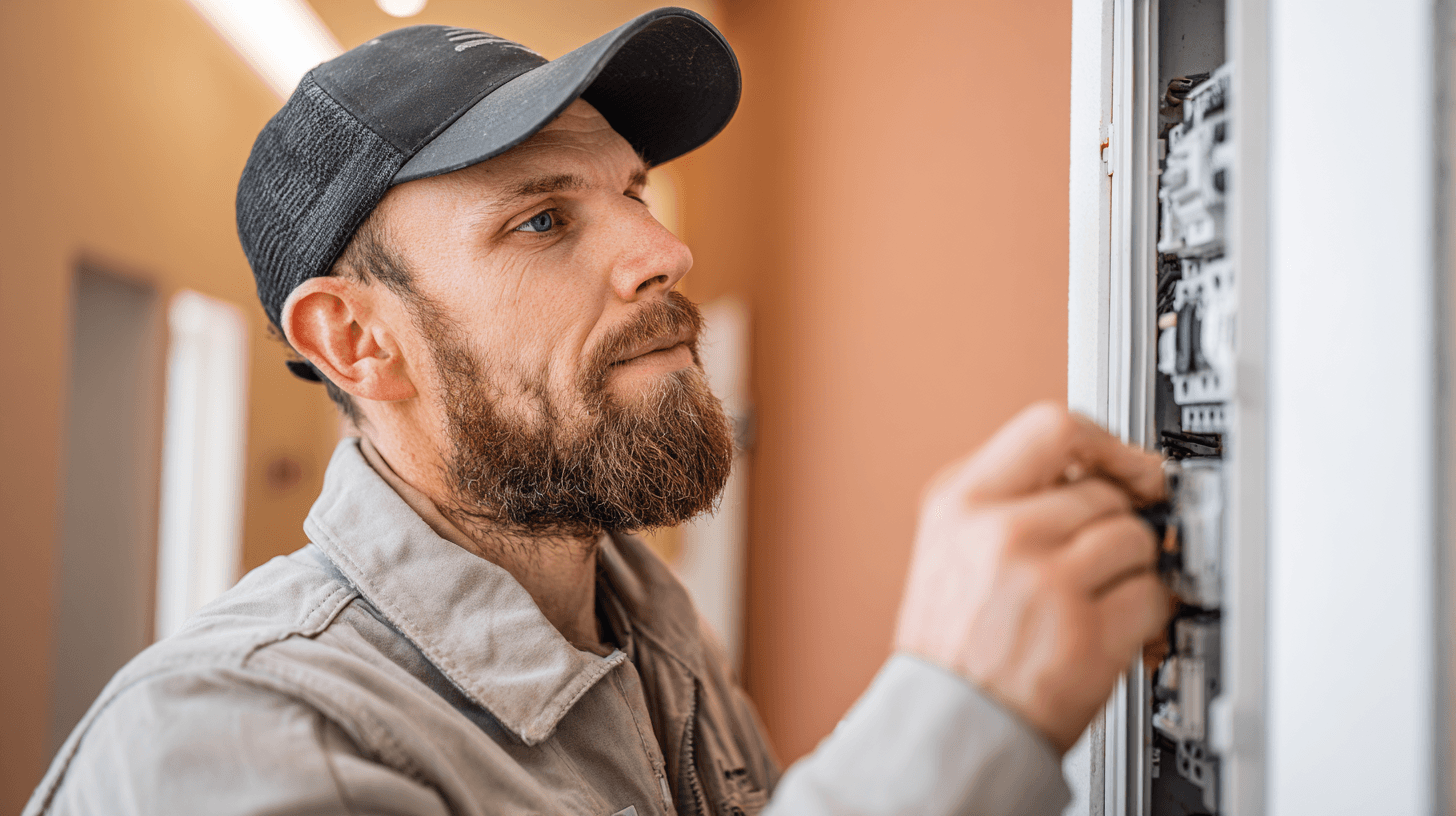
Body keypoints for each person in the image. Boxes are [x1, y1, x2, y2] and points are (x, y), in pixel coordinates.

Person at [25, 9, 1170, 816]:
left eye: (632, 191)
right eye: (541, 222)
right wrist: (952, 726)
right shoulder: (230, 745)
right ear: (357, 341)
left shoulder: (654, 638)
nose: (665, 251)